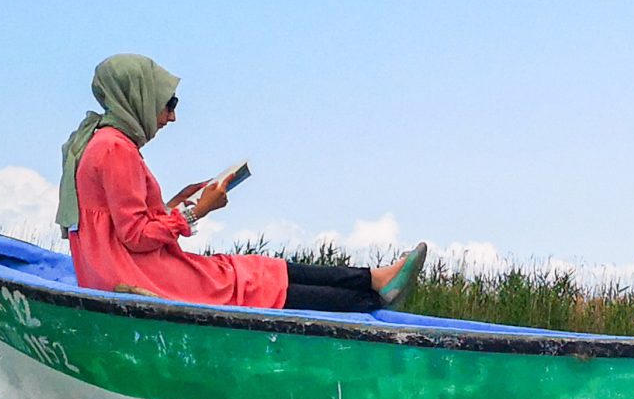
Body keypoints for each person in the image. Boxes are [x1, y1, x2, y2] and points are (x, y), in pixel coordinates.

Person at [54, 54, 426, 313]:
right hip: (140, 276)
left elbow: (122, 224)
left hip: (131, 267)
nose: (171, 117)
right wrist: (197, 211)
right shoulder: (115, 149)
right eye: (168, 103)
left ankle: (376, 279)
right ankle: (371, 301)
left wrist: (177, 203)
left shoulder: (102, 143)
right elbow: (136, 236)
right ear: (135, 96)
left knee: (255, 270)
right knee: (248, 284)